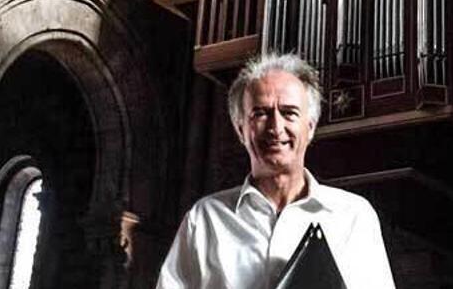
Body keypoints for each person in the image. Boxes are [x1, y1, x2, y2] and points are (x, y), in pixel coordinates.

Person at [157, 53, 396, 288]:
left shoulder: (355, 215)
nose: (275, 127)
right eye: (260, 113)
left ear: (310, 127)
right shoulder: (204, 219)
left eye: (289, 113)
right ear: (241, 129)